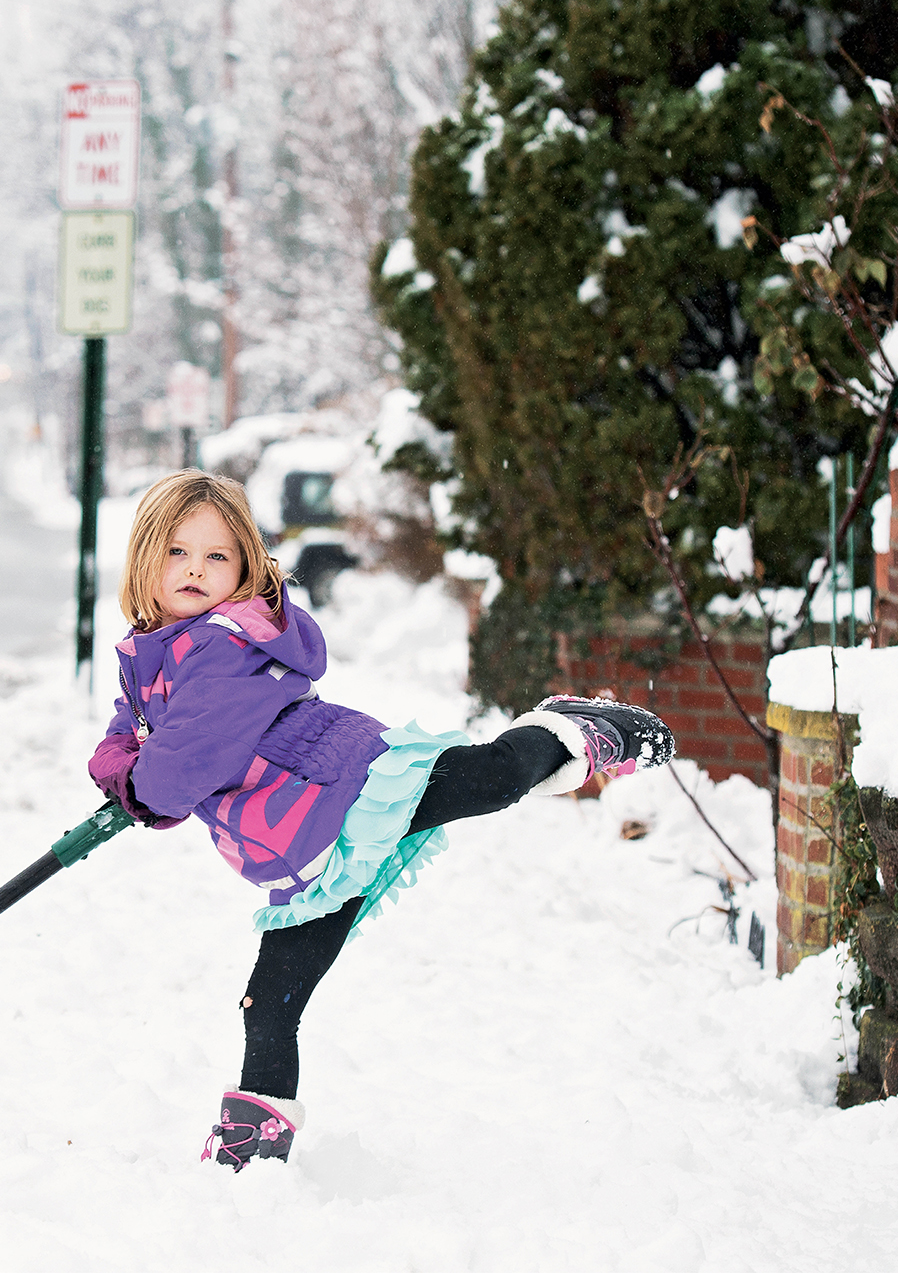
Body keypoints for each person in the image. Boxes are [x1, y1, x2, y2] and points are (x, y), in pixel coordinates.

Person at [89, 471, 675, 1172]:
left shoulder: (219, 648)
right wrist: (125, 772)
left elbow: (170, 778)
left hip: (342, 790)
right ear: (146, 557)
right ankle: (253, 1152)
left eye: (217, 557)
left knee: (486, 780)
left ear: (245, 569)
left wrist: (134, 781)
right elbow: (127, 737)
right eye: (178, 552)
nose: (194, 571)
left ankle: (566, 731)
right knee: (271, 999)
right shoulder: (149, 649)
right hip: (302, 845)